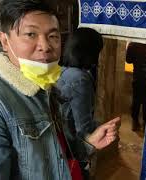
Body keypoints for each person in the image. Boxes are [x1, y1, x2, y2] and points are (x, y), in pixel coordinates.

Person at [0, 0, 120, 179]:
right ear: (5, 40)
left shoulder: (47, 87)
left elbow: (56, 153)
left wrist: (89, 144)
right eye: (31, 34)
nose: (45, 46)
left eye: (53, 36)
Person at [55, 27, 103, 179]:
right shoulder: (80, 79)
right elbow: (82, 128)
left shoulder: (59, 70)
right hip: (73, 149)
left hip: (60, 147)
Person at [126, 42, 146, 131]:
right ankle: (145, 124)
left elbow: (128, 60)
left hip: (138, 76)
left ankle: (135, 123)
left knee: (136, 100)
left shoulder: (133, 44)